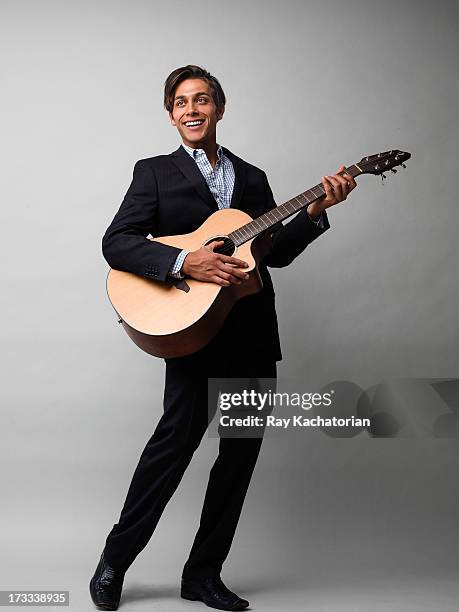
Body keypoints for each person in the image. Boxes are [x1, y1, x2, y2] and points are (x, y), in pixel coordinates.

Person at [90, 64, 356, 611]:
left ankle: (203, 575)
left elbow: (272, 252)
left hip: (253, 336)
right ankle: (115, 561)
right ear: (171, 114)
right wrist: (188, 260)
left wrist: (313, 213)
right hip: (191, 335)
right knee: (170, 453)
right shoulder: (154, 173)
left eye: (203, 100)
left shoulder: (253, 179)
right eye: (182, 102)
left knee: (237, 462)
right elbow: (117, 243)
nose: (192, 109)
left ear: (219, 108)